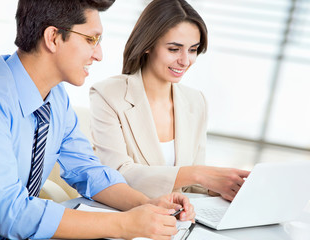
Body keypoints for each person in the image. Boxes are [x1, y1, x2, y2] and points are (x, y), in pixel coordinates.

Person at [0, 0, 195, 239]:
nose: (98, 54)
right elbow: (12, 214)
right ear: (53, 37)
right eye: (91, 39)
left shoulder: (55, 97)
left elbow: (87, 171)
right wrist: (124, 224)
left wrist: (147, 205)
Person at [90, 0, 250, 201]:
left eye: (193, 50)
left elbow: (191, 187)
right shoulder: (108, 94)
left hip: (176, 217)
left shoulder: (195, 101)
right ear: (148, 45)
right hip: (126, 215)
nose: (185, 61)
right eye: (174, 49)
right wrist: (197, 173)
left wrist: (222, 187)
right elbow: (115, 174)